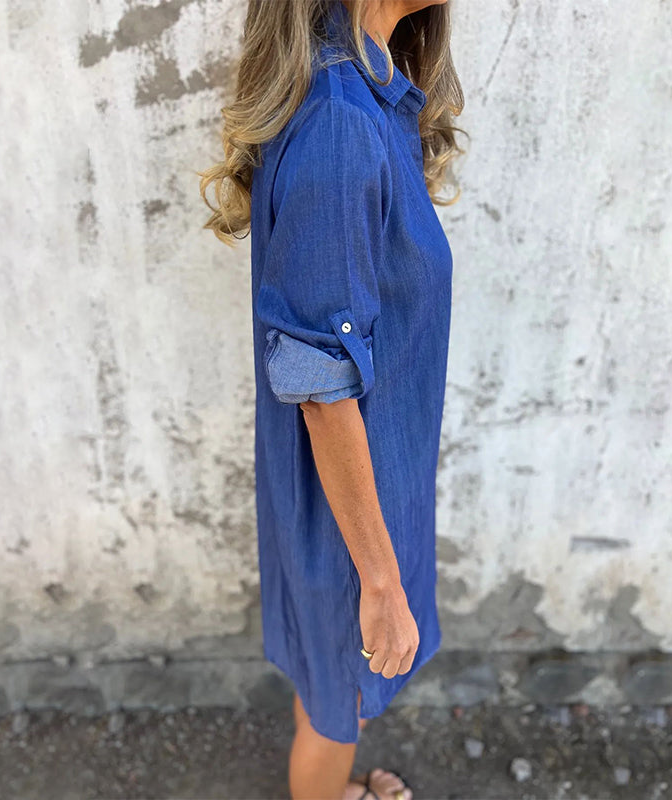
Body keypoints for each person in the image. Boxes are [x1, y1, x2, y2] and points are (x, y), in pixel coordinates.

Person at [199, 1, 466, 797]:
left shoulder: (366, 88)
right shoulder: (341, 127)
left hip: (362, 488)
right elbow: (319, 388)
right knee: (336, 707)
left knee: (330, 682)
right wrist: (379, 584)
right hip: (349, 509)